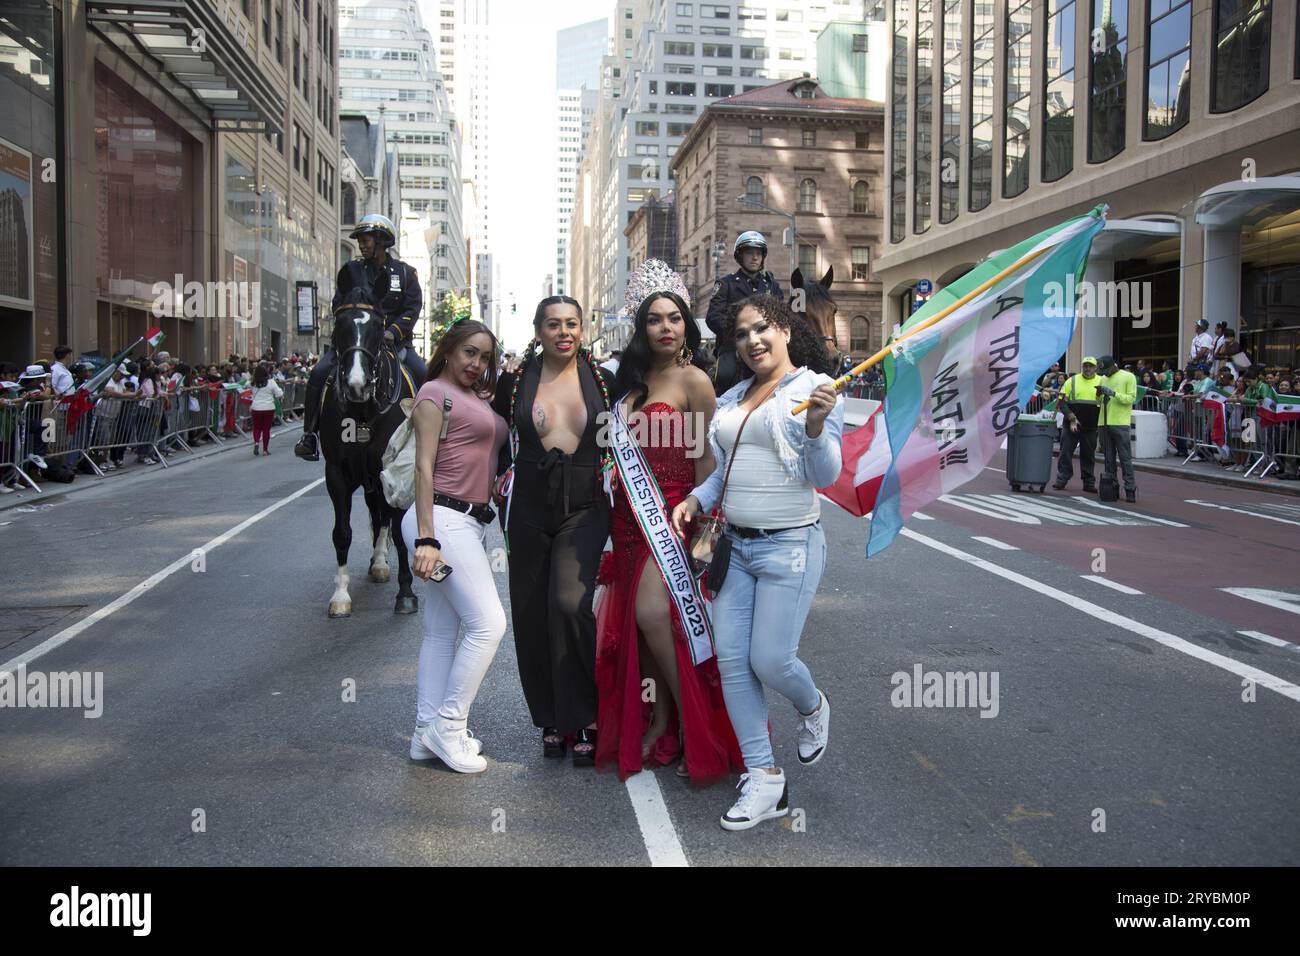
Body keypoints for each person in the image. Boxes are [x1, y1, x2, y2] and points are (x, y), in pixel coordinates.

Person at [671, 293, 843, 831]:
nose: (752, 341)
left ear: (787, 330)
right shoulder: (734, 397)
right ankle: (763, 777)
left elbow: (826, 475)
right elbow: (727, 470)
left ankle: (813, 706)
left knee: (770, 660)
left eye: (762, 329)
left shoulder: (812, 389)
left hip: (789, 547)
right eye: (742, 334)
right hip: (735, 548)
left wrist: (815, 426)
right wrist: (697, 498)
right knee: (730, 662)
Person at [595, 260, 743, 783]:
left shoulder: (695, 381)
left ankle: (691, 718)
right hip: (627, 520)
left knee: (655, 615)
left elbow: (706, 462)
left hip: (673, 517)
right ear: (642, 327)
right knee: (639, 626)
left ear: (687, 325)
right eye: (655, 318)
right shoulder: (629, 382)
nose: (665, 327)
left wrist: (705, 528)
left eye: (674, 318)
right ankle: (661, 719)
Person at [491, 296, 615, 765]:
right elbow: (493, 433)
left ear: (583, 329)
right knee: (529, 611)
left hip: (584, 506)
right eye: (553, 324)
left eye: (572, 324)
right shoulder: (513, 380)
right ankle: (549, 718)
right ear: (538, 330)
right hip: (527, 505)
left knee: (568, 601)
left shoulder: (604, 380)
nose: (564, 332)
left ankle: (582, 715)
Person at [403, 319, 509, 774]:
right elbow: (423, 469)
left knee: (443, 631)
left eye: (484, 357)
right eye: (468, 352)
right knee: (489, 624)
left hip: (469, 523)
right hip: (441, 520)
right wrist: (427, 537)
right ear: (448, 350)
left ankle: (425, 731)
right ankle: (449, 725)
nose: (476, 363)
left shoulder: (474, 397)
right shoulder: (434, 394)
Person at [295, 214, 424, 460]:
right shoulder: (351, 271)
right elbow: (337, 304)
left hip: (393, 343)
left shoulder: (405, 273)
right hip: (355, 341)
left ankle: (427, 435)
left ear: (383, 242)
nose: (362, 245)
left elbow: (412, 308)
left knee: (422, 373)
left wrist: (392, 332)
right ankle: (309, 434)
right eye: (360, 241)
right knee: (319, 372)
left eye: (366, 240)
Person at [705, 232, 784, 396]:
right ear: (740, 256)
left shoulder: (772, 286)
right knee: (724, 375)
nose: (755, 258)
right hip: (733, 346)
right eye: (749, 253)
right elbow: (713, 316)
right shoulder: (726, 284)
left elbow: (781, 315)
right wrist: (738, 335)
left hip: (766, 344)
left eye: (758, 253)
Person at [1053, 357, 1101, 492]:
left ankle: (1088, 483)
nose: (1088, 369)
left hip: (1091, 426)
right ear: (1082, 367)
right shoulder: (1071, 381)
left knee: (1088, 455)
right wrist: (1070, 415)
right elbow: (1061, 402)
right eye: (1085, 366)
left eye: (1090, 366)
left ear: (1095, 368)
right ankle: (1062, 478)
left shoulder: (1101, 382)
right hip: (1071, 424)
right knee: (1065, 452)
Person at [1096, 355, 1138, 502]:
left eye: (1107, 370)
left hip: (1120, 422)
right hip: (1104, 422)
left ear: (1114, 366)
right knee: (1108, 459)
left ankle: (1130, 489)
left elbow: (1131, 398)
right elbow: (1098, 403)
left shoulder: (1128, 376)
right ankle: (1111, 489)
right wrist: (1099, 394)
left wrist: (1113, 393)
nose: (1105, 373)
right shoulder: (1103, 379)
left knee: (1125, 458)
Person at [248, 364, 283, 456]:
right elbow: (279, 393)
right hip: (268, 407)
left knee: (257, 427)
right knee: (266, 429)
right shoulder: (271, 382)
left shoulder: (252, 383)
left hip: (256, 407)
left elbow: (248, 393)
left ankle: (256, 442)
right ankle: (265, 450)